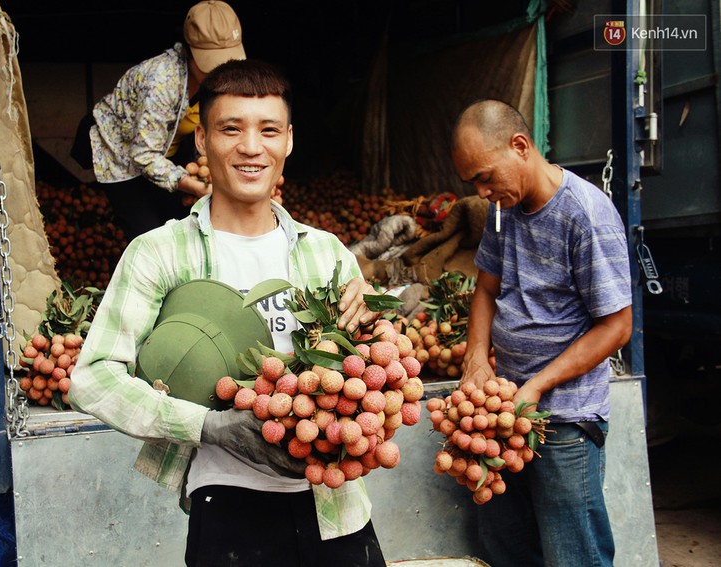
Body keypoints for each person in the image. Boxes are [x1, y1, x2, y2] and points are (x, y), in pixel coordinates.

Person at [69, 59, 387, 566]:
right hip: (227, 504)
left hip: (337, 506)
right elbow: (91, 379)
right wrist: (206, 426)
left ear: (288, 141)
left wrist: (378, 324)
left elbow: (374, 370)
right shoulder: (160, 252)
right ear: (201, 142)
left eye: (268, 130)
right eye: (230, 129)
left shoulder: (327, 253)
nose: (251, 147)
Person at [451, 99, 633, 567]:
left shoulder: (585, 214)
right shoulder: (501, 212)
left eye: (486, 176)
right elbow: (486, 290)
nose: (482, 190)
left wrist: (535, 386)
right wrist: (475, 358)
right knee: (506, 546)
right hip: (506, 411)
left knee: (572, 554)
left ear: (520, 146)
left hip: (565, 420)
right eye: (472, 181)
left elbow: (617, 327)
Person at [72, 1, 246, 241]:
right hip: (123, 153)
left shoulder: (217, 83)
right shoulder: (161, 81)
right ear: (188, 51)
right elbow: (144, 156)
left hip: (163, 154)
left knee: (178, 226)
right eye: (211, 63)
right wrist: (195, 186)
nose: (221, 71)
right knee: (149, 237)